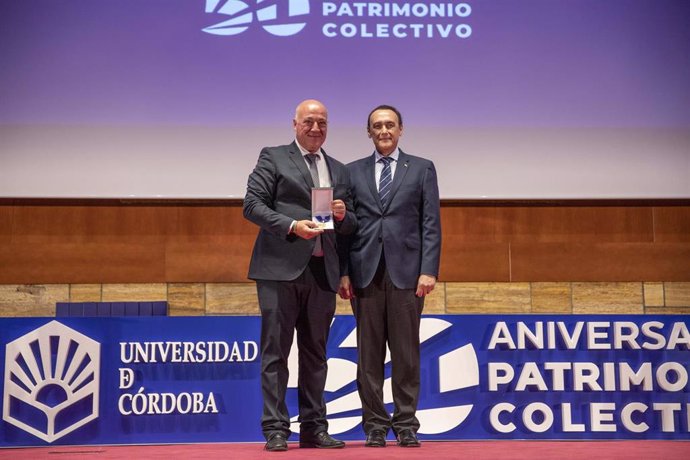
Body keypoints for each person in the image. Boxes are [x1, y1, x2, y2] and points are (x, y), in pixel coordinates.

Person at [243, 99, 356, 451]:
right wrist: (292, 225)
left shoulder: (340, 169)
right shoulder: (273, 157)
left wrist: (341, 216)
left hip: (323, 272)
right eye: (309, 121)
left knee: (315, 356)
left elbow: (352, 226)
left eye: (322, 122)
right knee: (275, 353)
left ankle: (314, 428)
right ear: (294, 124)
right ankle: (276, 428)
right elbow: (252, 205)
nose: (316, 128)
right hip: (279, 271)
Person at [339, 104, 441, 448]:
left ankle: (406, 423)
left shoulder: (423, 169)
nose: (384, 131)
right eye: (377, 126)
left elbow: (430, 224)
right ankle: (375, 426)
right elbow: (345, 229)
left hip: (408, 275)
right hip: (365, 273)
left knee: (406, 354)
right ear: (368, 132)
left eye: (390, 125)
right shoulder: (351, 172)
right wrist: (343, 273)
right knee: (368, 357)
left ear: (401, 129)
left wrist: (429, 269)